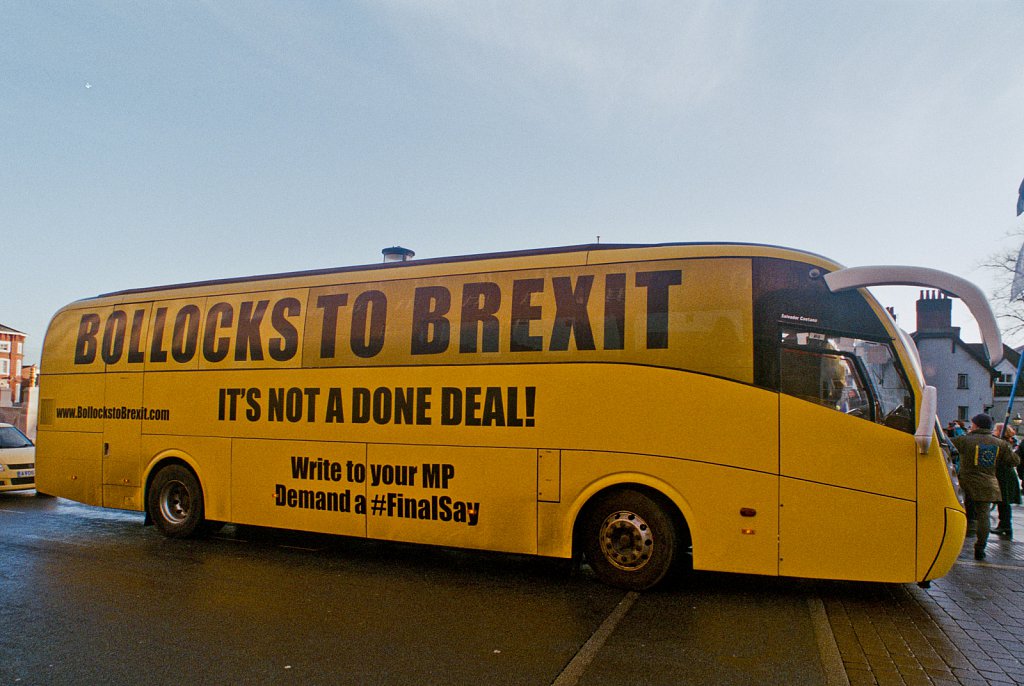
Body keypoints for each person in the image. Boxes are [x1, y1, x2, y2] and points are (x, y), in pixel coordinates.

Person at [951, 413, 1019, 560]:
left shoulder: (965, 440)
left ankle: (954, 545)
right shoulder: (999, 443)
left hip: (965, 482)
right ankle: (980, 547)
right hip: (988, 483)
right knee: (984, 516)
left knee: (959, 513)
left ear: (976, 425)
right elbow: (1014, 461)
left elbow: (945, 448)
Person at [994, 423, 1022, 538]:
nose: (993, 431)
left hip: (1005, 475)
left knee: (1004, 501)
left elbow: (1013, 460)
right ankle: (1004, 525)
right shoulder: (1002, 442)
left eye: (995, 430)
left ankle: (1005, 525)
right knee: (1003, 502)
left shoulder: (1004, 444)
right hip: (1003, 474)